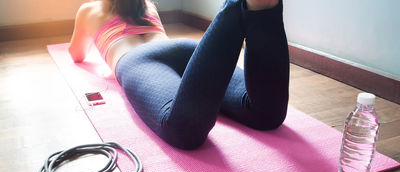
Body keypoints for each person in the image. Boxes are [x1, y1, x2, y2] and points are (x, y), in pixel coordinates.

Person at [69, 0, 289, 150]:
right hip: (186, 49)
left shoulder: (88, 10)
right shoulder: (144, 4)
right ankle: (260, 9)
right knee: (266, 113)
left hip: (139, 59)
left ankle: (236, 5)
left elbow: (76, 54)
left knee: (183, 129)